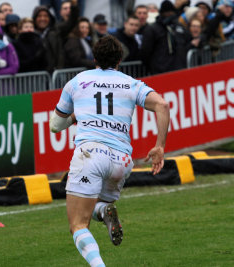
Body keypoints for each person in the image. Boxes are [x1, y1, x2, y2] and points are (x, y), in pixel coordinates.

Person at [49, 35, 169, 267]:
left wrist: (76, 116)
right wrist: (160, 146)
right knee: (94, 206)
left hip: (91, 155)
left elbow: (55, 125)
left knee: (78, 224)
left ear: (94, 58)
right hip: (122, 160)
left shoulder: (77, 81)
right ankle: (105, 212)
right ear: (120, 60)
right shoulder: (131, 83)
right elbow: (162, 105)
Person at [141, 0, 191, 74]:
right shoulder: (152, 29)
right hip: (160, 71)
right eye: (167, 13)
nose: (169, 14)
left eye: (171, 13)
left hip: (179, 69)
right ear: (162, 13)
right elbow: (145, 51)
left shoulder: (179, 27)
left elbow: (188, 42)